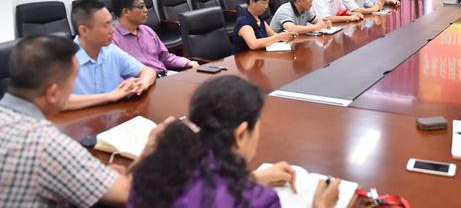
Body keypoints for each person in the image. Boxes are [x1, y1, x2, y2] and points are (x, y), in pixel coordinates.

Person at [128, 75, 341, 208]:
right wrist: (321, 205)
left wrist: (251, 178)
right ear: (240, 135)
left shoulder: (152, 170)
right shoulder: (258, 200)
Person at [0, 35, 131, 207]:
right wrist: (152, 146)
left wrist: (96, 176)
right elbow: (126, 193)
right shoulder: (46, 145)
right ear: (53, 93)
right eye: (73, 80)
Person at [65, 0, 157, 110]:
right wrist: (109, 96)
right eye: (106, 25)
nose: (113, 30)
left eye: (111, 23)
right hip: (81, 118)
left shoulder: (111, 51)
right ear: (84, 30)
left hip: (114, 115)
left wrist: (141, 83)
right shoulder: (62, 59)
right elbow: (55, 102)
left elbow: (148, 71)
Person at [111, 0, 199, 76]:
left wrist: (188, 63)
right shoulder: (112, 39)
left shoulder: (147, 31)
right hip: (142, 82)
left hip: (164, 75)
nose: (146, 10)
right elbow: (117, 73)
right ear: (126, 12)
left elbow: (165, 57)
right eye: (141, 7)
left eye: (145, 6)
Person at [232, 0, 296, 54]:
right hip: (243, 59)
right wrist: (279, 37)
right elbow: (253, 44)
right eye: (263, 3)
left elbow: (274, 35)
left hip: (259, 56)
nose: (266, 6)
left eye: (267, 3)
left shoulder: (259, 19)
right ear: (252, 1)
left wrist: (287, 35)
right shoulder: (243, 21)